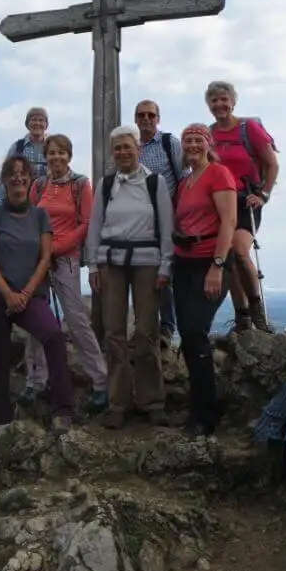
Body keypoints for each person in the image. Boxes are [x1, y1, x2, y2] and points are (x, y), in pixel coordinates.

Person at [84, 124, 175, 429]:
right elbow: (95, 226)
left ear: (138, 148)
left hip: (147, 263)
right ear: (113, 152)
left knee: (147, 331)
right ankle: (117, 402)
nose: (123, 152)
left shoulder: (155, 183)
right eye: (118, 148)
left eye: (128, 146)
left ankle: (152, 401)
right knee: (113, 333)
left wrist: (165, 265)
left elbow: (166, 225)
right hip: (111, 264)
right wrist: (93, 266)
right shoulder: (106, 185)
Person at [0, 154, 77, 433]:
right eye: (13, 175)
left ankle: (63, 409)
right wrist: (8, 294)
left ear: (30, 180)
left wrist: (25, 293)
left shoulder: (40, 215)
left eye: (23, 174)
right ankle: (0, 417)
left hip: (30, 294)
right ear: (5, 181)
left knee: (54, 336)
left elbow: (45, 258)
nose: (19, 179)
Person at [18, 134, 109, 415]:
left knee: (76, 319)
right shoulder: (39, 185)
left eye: (61, 153)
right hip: (38, 261)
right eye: (51, 153)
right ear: (45, 156)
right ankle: (36, 381)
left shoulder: (81, 184)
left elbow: (85, 222)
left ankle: (100, 381)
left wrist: (58, 247)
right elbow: (30, 219)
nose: (56, 157)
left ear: (69, 156)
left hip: (65, 259)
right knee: (36, 319)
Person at [170, 125, 238, 437]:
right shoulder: (184, 182)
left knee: (196, 330)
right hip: (184, 262)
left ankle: (206, 415)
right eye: (189, 141)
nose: (194, 145)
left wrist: (218, 265)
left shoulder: (218, 173)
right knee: (188, 333)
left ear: (208, 144)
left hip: (212, 260)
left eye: (199, 140)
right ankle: (198, 405)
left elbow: (229, 220)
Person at [205, 80, 280, 333]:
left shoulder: (249, 130)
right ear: (209, 105)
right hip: (218, 204)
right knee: (226, 258)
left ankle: (256, 311)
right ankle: (242, 317)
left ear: (233, 102)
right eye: (214, 100)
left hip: (246, 199)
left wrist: (264, 194)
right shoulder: (209, 134)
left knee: (238, 250)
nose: (220, 104)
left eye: (224, 99)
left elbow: (272, 163)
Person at [134, 99, 185, 353]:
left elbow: (183, 177)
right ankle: (148, 324)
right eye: (141, 115)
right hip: (139, 220)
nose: (146, 119)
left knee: (166, 272)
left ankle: (167, 326)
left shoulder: (169, 143)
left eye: (150, 115)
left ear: (158, 118)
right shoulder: (132, 147)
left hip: (167, 217)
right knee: (144, 271)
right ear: (135, 119)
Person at [0, 107, 50, 206]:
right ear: (27, 124)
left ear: (46, 125)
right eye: (33, 120)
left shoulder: (51, 147)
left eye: (41, 120)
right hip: (21, 202)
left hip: (45, 201)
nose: (37, 123)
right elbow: (5, 175)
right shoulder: (18, 147)